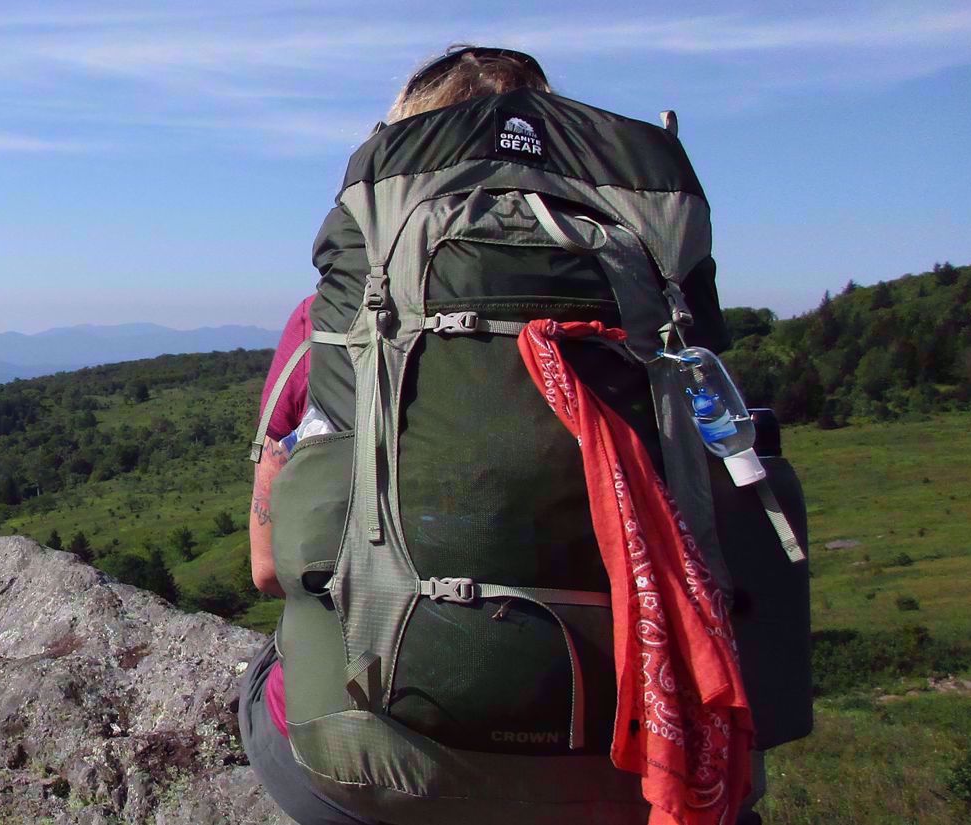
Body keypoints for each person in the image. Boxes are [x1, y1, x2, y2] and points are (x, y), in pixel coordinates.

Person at [234, 45, 750, 825]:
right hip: (633, 778)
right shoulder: (653, 315)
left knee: (270, 676)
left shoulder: (328, 325)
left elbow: (270, 568)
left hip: (372, 765)